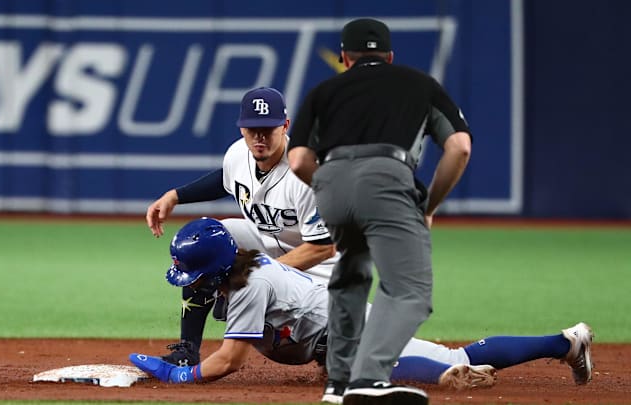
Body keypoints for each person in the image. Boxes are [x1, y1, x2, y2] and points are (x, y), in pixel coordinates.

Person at [129, 218, 594, 405]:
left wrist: (178, 376)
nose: (192, 287)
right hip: (330, 332)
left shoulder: (248, 282)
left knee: (453, 359)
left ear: (213, 268)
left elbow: (230, 361)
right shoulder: (229, 269)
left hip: (350, 326)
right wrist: (187, 348)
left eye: (193, 276)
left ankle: (568, 341)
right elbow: (200, 300)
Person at [286, 18, 473, 405]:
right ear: (389, 56)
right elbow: (459, 147)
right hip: (387, 177)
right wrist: (429, 205)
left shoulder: (324, 90)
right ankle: (368, 378)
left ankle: (337, 383)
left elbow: (300, 159)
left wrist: (330, 186)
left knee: (351, 273)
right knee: (410, 290)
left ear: (344, 58)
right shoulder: (420, 84)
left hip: (331, 183)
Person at [145, 87, 337, 367]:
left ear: (285, 126)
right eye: (251, 129)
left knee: (296, 340)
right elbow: (225, 178)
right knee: (208, 240)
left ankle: (327, 346)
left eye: (267, 128)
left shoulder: (304, 175)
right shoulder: (238, 154)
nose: (259, 137)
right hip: (272, 245)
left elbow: (324, 248)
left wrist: (252, 278)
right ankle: (187, 350)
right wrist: (176, 195)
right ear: (242, 129)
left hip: (321, 271)